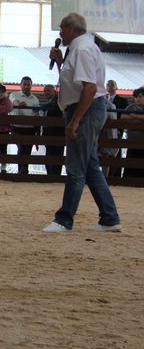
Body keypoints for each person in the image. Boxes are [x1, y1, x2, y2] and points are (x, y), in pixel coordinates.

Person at [43, 13, 120, 232]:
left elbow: (90, 88)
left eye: (61, 29)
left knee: (75, 166)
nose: (59, 33)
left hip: (85, 109)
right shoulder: (80, 48)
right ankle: (110, 217)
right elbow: (75, 83)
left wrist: (75, 120)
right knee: (90, 166)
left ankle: (64, 220)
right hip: (86, 108)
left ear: (71, 28)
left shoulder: (82, 49)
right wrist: (59, 62)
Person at [9, 76, 40, 174]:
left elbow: (37, 113)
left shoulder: (35, 99)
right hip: (16, 127)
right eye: (24, 84)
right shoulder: (14, 94)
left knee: (27, 150)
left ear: (31, 86)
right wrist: (18, 103)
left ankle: (23, 170)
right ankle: (22, 170)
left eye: (28, 85)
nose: (26, 86)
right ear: (20, 85)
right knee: (22, 148)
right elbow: (14, 101)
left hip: (30, 128)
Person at [41, 84, 65, 176]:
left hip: (57, 133)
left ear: (54, 91)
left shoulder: (57, 101)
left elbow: (51, 107)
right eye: (45, 91)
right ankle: (53, 175)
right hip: (51, 133)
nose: (46, 92)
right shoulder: (53, 101)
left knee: (55, 155)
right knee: (51, 156)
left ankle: (54, 176)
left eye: (48, 90)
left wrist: (41, 107)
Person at [105, 79, 127, 177]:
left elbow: (123, 114)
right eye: (108, 84)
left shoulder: (122, 100)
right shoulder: (104, 100)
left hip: (116, 129)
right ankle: (105, 175)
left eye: (112, 84)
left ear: (116, 87)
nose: (110, 85)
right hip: (105, 130)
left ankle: (115, 175)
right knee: (104, 152)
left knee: (115, 152)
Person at [121, 87, 144, 178]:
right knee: (130, 161)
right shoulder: (131, 107)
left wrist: (134, 116)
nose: (137, 99)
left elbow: (129, 117)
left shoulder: (132, 110)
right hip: (132, 141)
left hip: (142, 142)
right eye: (136, 97)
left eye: (140, 96)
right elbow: (123, 117)